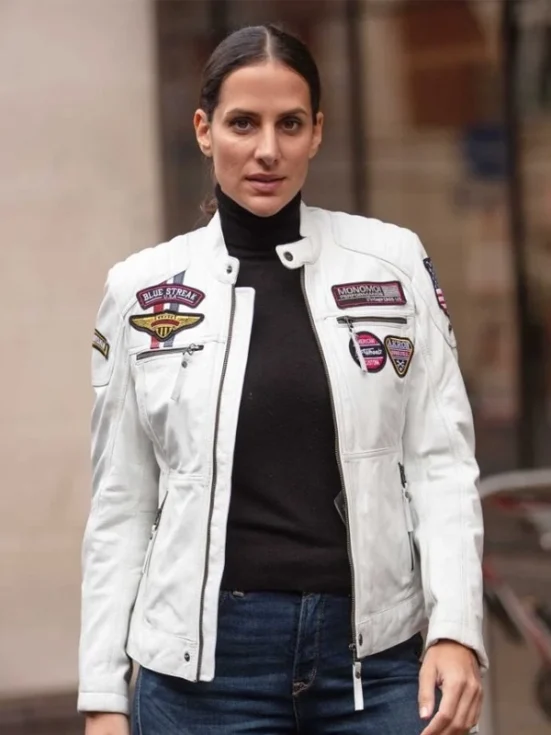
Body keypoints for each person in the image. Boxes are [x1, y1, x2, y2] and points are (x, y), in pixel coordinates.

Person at [79, 23, 487, 735]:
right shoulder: (141, 288)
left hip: (374, 665)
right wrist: (103, 698)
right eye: (243, 123)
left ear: (316, 132)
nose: (267, 149)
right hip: (200, 679)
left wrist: (454, 629)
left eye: (289, 124)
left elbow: (440, 465)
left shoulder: (391, 264)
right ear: (204, 130)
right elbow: (121, 503)